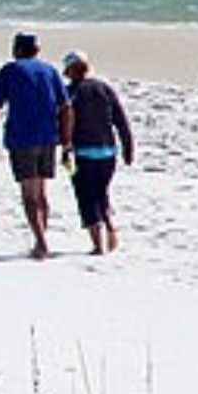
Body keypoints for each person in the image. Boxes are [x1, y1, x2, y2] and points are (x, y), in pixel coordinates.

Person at [0, 31, 73, 259]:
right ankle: (40, 239)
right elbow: (66, 108)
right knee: (41, 193)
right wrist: (66, 141)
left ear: (17, 49)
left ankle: (41, 243)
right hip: (48, 137)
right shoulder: (50, 71)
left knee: (29, 194)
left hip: (22, 138)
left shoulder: (10, 70)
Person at [60, 50, 134, 255]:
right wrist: (128, 148)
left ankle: (98, 244)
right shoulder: (104, 88)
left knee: (86, 196)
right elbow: (120, 120)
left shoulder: (69, 93)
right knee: (102, 193)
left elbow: (65, 123)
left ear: (70, 71)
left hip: (82, 153)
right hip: (108, 152)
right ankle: (111, 230)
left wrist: (65, 149)